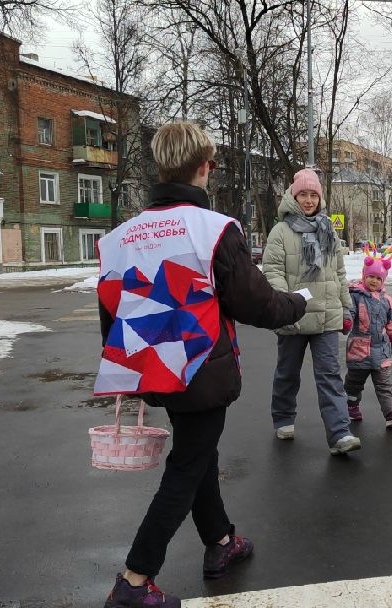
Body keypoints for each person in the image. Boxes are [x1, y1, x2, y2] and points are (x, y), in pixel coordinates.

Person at [96, 122, 307, 608]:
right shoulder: (214, 230)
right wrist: (297, 303)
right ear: (204, 167)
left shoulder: (121, 236)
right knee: (188, 464)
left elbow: (112, 310)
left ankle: (221, 542)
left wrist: (128, 372)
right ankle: (133, 580)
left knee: (199, 454)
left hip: (154, 368)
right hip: (199, 370)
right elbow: (255, 305)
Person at [263, 168, 361, 455]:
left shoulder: (327, 228)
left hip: (327, 317)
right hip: (294, 315)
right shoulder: (281, 232)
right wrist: (285, 305)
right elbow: (272, 272)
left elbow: (339, 274)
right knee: (287, 372)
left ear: (320, 198)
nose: (308, 200)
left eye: (313, 195)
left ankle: (340, 433)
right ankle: (283, 417)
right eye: (303, 194)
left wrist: (346, 307)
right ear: (293, 196)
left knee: (330, 374)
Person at [344, 245, 392, 427]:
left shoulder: (387, 300)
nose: (373, 281)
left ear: (383, 280)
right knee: (354, 383)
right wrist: (347, 320)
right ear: (364, 276)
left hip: (380, 350)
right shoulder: (355, 296)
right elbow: (349, 311)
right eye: (370, 276)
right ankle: (350, 405)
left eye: (377, 278)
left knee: (384, 384)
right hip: (359, 349)